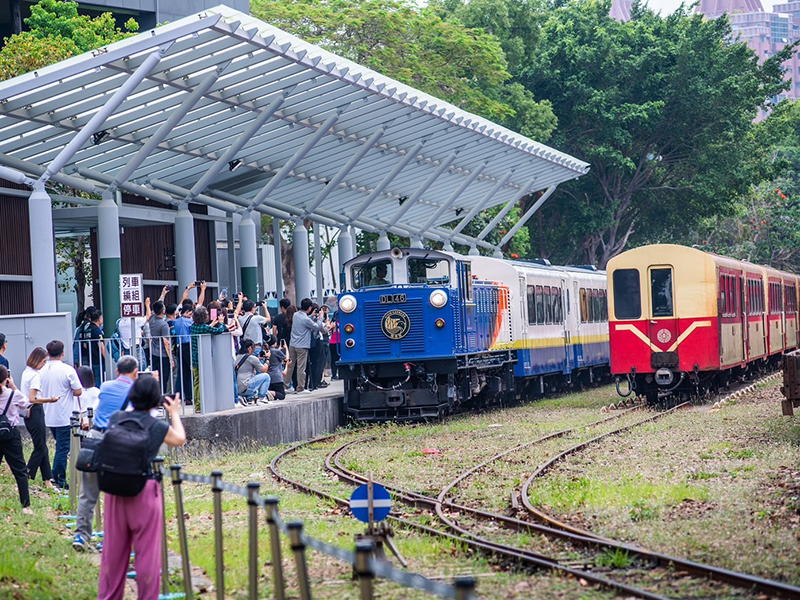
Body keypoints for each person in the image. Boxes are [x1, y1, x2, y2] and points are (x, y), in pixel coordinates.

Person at [96, 376, 186, 600]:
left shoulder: (117, 418)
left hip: (115, 491)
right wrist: (174, 411)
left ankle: (108, 596)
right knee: (147, 555)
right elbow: (180, 439)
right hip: (144, 491)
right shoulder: (158, 426)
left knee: (113, 554)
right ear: (156, 400)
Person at [72, 356, 138, 552]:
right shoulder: (136, 391)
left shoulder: (106, 386)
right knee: (116, 497)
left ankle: (81, 536)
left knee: (88, 493)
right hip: (117, 444)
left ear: (117, 372)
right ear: (135, 373)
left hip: (93, 440)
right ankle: (109, 539)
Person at [40, 340, 83, 490]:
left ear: (48, 353)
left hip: (48, 414)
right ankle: (58, 477)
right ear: (63, 352)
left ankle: (54, 475)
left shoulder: (42, 369)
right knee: (63, 448)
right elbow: (78, 391)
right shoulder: (67, 370)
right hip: (64, 415)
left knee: (60, 446)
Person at [21, 347, 58, 488]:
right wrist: (50, 400)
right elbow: (33, 398)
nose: (44, 365)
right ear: (37, 360)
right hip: (35, 411)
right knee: (40, 447)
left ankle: (47, 479)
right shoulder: (35, 375)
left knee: (42, 445)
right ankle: (26, 473)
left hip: (27, 413)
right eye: (43, 361)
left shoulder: (26, 372)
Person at [0, 365, 34, 514]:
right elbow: (26, 404)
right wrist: (13, 386)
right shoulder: (12, 394)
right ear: (6, 378)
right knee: (20, 470)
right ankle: (26, 506)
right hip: (10, 436)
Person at [190, 306, 226, 412]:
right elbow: (219, 331)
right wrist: (221, 322)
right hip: (203, 357)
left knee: (197, 381)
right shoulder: (204, 327)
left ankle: (197, 405)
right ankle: (204, 403)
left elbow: (205, 329)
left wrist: (212, 324)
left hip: (195, 357)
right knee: (204, 381)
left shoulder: (193, 326)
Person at [285, 298, 324, 394]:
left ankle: (285, 386)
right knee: (301, 367)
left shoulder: (295, 315)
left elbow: (305, 321)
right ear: (310, 308)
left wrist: (311, 317)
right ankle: (300, 388)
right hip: (302, 346)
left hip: (292, 344)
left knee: (290, 366)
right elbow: (317, 327)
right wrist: (321, 318)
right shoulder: (306, 319)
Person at [148, 301, 174, 394]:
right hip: (163, 355)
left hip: (154, 353)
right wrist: (171, 358)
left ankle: (155, 396)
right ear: (163, 310)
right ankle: (161, 397)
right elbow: (166, 343)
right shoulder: (164, 324)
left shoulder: (151, 319)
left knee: (156, 377)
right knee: (164, 378)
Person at [235, 339, 272, 403]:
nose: (254, 349)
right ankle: (262, 399)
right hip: (245, 386)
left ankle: (248, 398)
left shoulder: (236, 357)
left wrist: (258, 359)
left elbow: (246, 366)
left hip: (237, 389)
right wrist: (267, 358)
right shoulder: (251, 358)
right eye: (253, 347)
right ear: (249, 348)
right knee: (266, 376)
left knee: (253, 379)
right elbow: (264, 370)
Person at [78, 309, 105, 387]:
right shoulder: (97, 330)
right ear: (99, 319)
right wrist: (105, 357)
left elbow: (85, 345)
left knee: (92, 379)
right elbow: (101, 346)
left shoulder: (87, 329)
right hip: (97, 359)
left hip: (90, 358)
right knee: (98, 379)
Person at [173, 304, 193, 405]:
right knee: (192, 371)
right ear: (187, 311)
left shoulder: (176, 322)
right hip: (188, 346)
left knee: (184, 372)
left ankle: (187, 397)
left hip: (179, 346)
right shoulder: (189, 322)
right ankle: (192, 395)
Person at [266, 335, 290, 400]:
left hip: (270, 376)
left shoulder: (267, 351)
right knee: (282, 395)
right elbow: (286, 359)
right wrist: (286, 348)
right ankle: (268, 392)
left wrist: (279, 349)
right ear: (275, 343)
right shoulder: (277, 351)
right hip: (277, 377)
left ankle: (269, 392)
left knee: (275, 396)